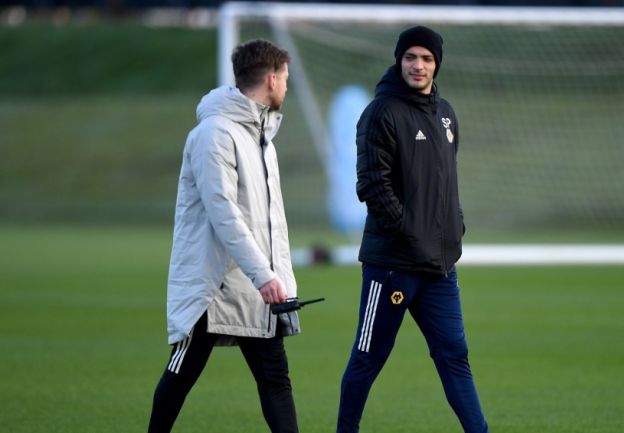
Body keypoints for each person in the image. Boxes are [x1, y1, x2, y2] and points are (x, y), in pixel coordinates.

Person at [337, 26, 490, 433]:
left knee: (454, 354)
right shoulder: (380, 113)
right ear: (398, 60)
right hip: (392, 264)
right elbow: (372, 185)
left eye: (425, 58)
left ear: (437, 63)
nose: (417, 65)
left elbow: (445, 183)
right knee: (369, 356)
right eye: (410, 57)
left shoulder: (446, 114)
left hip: (439, 268)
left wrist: (453, 228)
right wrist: (411, 233)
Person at [147, 39, 300, 433]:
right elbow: (224, 215)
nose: (287, 86)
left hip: (254, 287)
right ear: (270, 79)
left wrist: (275, 275)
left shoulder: (264, 137)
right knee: (179, 377)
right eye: (285, 78)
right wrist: (265, 275)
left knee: (276, 381)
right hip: (212, 288)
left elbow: (270, 223)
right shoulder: (213, 134)